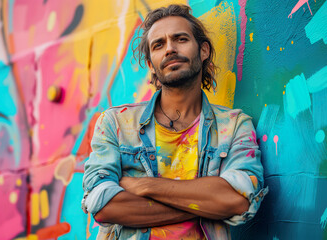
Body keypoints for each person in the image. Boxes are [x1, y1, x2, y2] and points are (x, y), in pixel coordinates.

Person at [82, 4, 268, 240]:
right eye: (158, 45)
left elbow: (239, 201)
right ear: (150, 64)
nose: (170, 49)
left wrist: (146, 186)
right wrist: (205, 203)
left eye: (180, 39)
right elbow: (103, 206)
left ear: (203, 51)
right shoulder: (116, 124)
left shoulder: (234, 126)